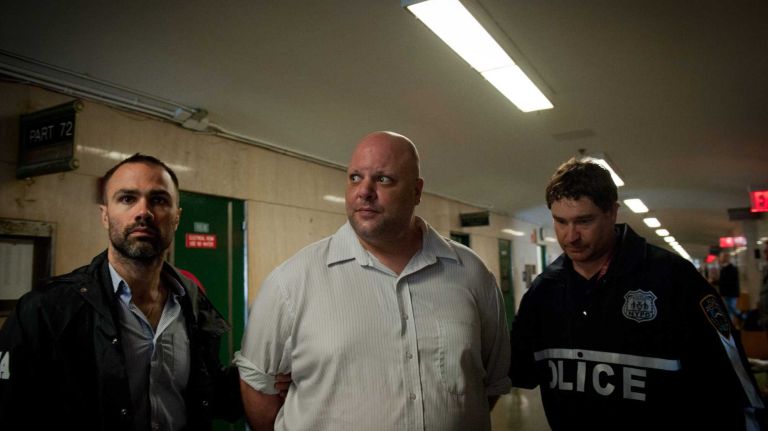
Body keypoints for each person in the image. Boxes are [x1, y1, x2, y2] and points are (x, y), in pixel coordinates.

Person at [235, 131, 511, 430]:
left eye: (383, 179)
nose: (364, 191)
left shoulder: (471, 273)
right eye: (355, 177)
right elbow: (256, 386)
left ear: (417, 191)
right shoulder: (291, 282)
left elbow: (487, 383)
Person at [508, 158, 765, 430]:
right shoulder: (543, 291)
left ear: (612, 212)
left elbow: (735, 388)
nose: (570, 236)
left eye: (584, 221)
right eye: (560, 222)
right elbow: (520, 370)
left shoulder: (674, 279)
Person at [0, 154, 242, 430]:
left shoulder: (192, 302)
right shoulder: (45, 310)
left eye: (159, 200)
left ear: (176, 217)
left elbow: (210, 397)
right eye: (127, 198)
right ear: (105, 215)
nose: (144, 212)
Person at [717, 250, 744, 322]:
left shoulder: (730, 268)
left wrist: (716, 281)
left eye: (721, 257)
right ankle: (733, 324)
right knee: (729, 310)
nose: (720, 259)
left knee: (731, 309)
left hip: (730, 293)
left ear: (725, 258)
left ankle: (744, 317)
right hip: (727, 293)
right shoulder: (726, 268)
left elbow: (727, 281)